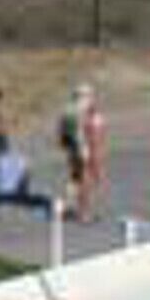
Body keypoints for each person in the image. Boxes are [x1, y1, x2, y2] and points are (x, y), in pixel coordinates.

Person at [59, 84, 107, 223]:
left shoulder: (67, 111)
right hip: (84, 149)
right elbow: (91, 135)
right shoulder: (86, 111)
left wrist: (68, 147)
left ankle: (65, 208)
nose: (92, 98)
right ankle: (83, 213)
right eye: (90, 95)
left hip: (73, 149)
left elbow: (62, 134)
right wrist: (93, 157)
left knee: (74, 178)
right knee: (85, 181)